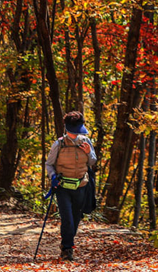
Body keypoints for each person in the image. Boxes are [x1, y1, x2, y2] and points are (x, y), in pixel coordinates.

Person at [44, 111, 97, 261]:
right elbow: (49, 164)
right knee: (67, 218)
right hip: (62, 187)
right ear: (66, 129)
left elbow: (92, 162)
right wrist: (52, 176)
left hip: (81, 186)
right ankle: (67, 249)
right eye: (73, 132)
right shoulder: (58, 144)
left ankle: (66, 244)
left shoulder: (86, 142)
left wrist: (88, 153)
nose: (76, 135)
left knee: (75, 217)